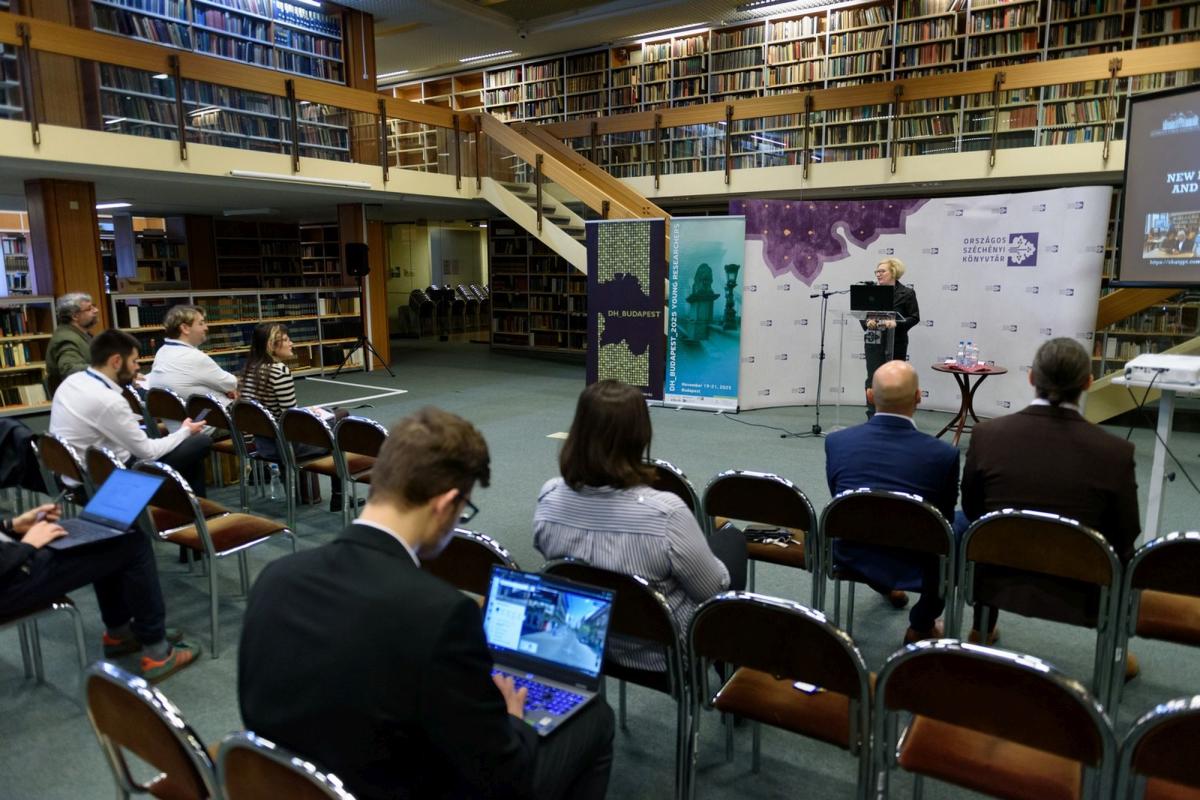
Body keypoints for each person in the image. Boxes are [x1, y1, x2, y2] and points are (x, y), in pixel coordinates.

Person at [239, 407, 615, 800]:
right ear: (445, 504)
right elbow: (502, 777)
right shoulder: (440, 615)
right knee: (595, 720)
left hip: (290, 787)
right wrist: (513, 720)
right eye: (463, 512)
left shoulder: (276, 578)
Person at [534, 380, 745, 671]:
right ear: (641, 436)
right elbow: (711, 591)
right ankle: (726, 665)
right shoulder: (666, 513)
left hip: (587, 640)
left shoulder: (549, 497)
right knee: (732, 540)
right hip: (665, 654)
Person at [961, 337, 1140, 655]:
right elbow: (1125, 534)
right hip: (1082, 590)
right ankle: (1113, 653)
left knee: (980, 528)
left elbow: (973, 508)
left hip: (997, 577)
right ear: (1088, 383)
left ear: (1032, 377)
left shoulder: (987, 436)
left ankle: (981, 628)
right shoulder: (1116, 453)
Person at [825, 361, 960, 644]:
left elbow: (839, 500)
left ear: (869, 396)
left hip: (851, 552)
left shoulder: (837, 442)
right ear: (919, 397)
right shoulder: (943, 455)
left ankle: (885, 584)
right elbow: (944, 521)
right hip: (918, 561)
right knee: (959, 530)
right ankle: (921, 625)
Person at [0, 501, 199, 680]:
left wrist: (10, 526)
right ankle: (158, 653)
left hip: (11, 561)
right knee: (134, 543)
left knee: (103, 539)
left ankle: (120, 633)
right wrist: (27, 545)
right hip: (10, 578)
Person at [49, 329, 211, 497]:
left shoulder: (72, 382)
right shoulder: (109, 400)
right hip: (106, 483)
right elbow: (148, 452)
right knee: (199, 442)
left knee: (183, 451)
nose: (137, 367)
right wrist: (185, 431)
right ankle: (189, 507)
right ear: (116, 361)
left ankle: (183, 506)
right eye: (133, 361)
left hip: (72, 477)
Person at [238, 322, 345, 511]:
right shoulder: (279, 371)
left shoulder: (250, 369)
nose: (292, 343)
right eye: (286, 340)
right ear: (271, 346)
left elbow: (273, 412)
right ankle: (340, 497)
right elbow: (292, 422)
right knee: (340, 422)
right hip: (284, 447)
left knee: (331, 415)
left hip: (263, 444)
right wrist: (314, 416)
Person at [146, 304, 238, 410]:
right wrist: (228, 388)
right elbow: (231, 383)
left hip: (178, 416)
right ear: (185, 328)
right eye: (201, 323)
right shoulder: (194, 357)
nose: (206, 328)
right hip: (212, 417)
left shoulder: (162, 352)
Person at [863, 258, 920, 417]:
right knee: (872, 378)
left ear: (894, 272)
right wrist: (867, 322)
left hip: (896, 342)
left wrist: (897, 323)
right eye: (877, 272)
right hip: (874, 341)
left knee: (896, 378)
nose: (878, 274)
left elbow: (914, 317)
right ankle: (872, 415)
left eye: (882, 271)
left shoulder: (907, 293)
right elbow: (862, 314)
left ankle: (896, 415)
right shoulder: (871, 292)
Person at [46, 292, 100, 396]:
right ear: (75, 316)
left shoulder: (80, 334)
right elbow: (69, 369)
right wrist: (104, 369)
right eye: (89, 308)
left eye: (94, 306)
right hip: (77, 398)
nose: (96, 310)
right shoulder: (66, 338)